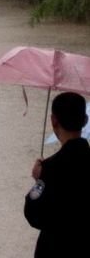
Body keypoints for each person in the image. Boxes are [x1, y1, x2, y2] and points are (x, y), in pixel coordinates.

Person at [24, 91, 90, 257]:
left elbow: (34, 216)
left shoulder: (51, 168)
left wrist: (39, 181)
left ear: (54, 121)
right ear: (85, 120)